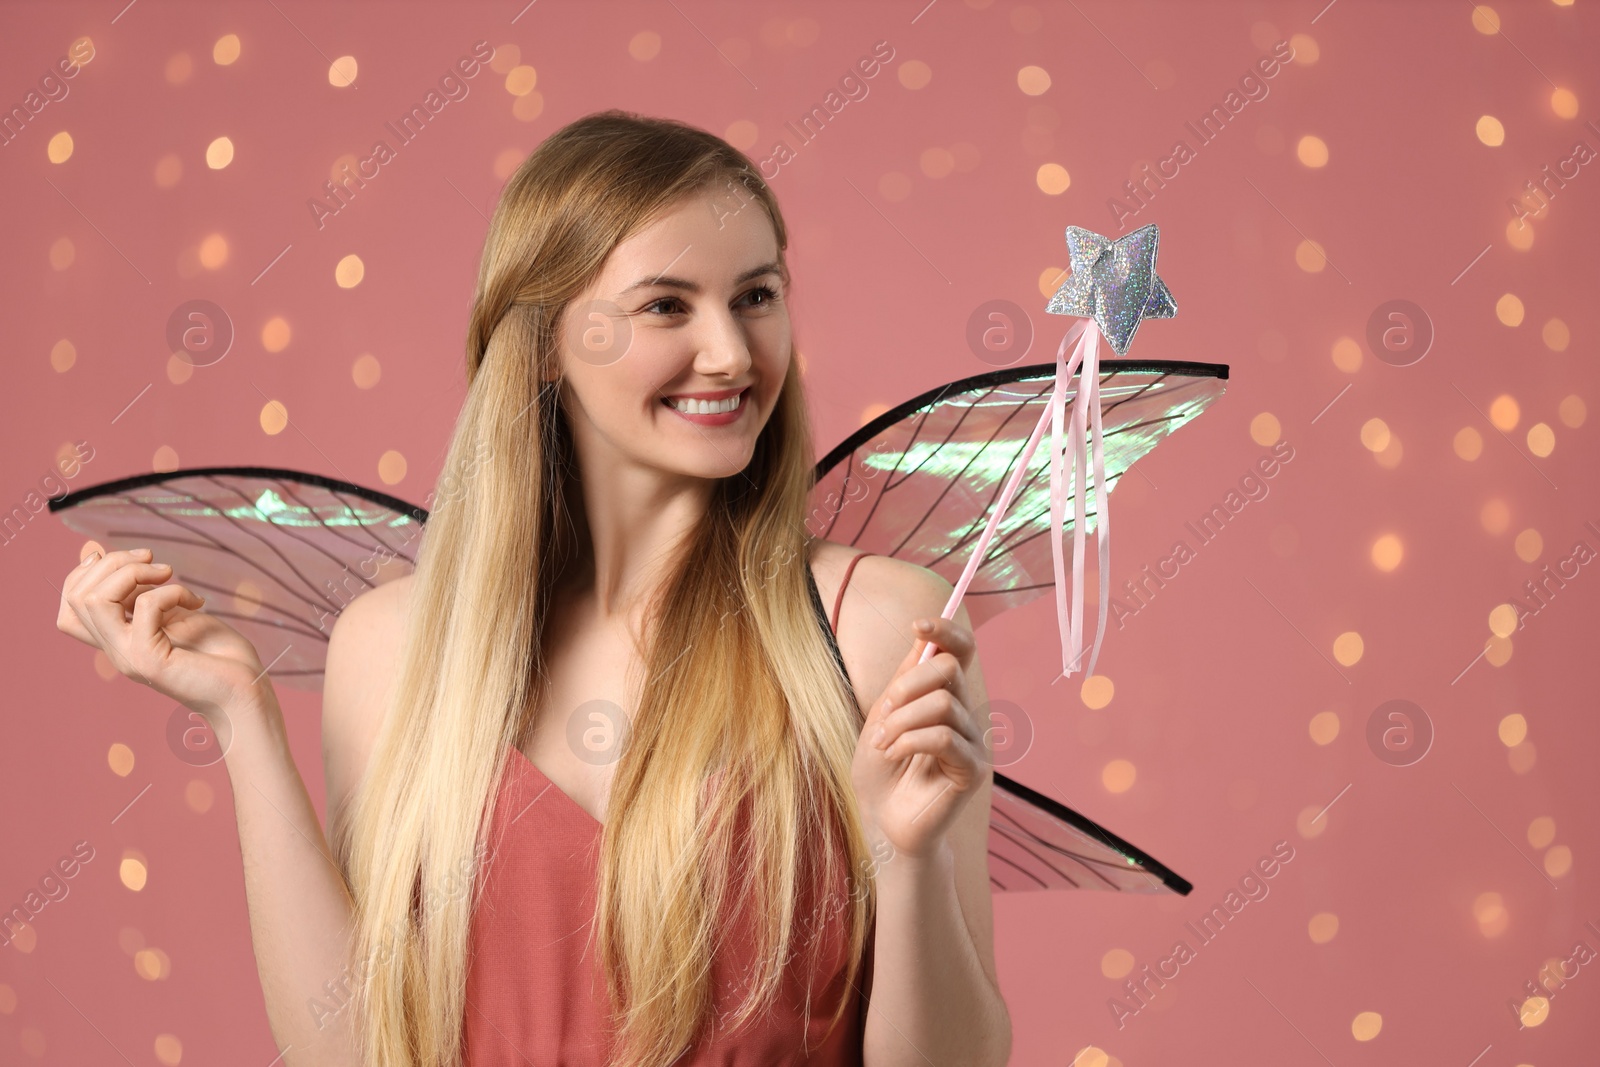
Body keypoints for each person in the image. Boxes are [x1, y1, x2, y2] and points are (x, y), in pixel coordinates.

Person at [55, 109, 1011, 1067]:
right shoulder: (393, 649)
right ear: (552, 342)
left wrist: (912, 857)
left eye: (756, 295)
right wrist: (241, 717)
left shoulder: (873, 629)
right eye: (667, 306)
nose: (729, 352)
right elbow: (353, 1051)